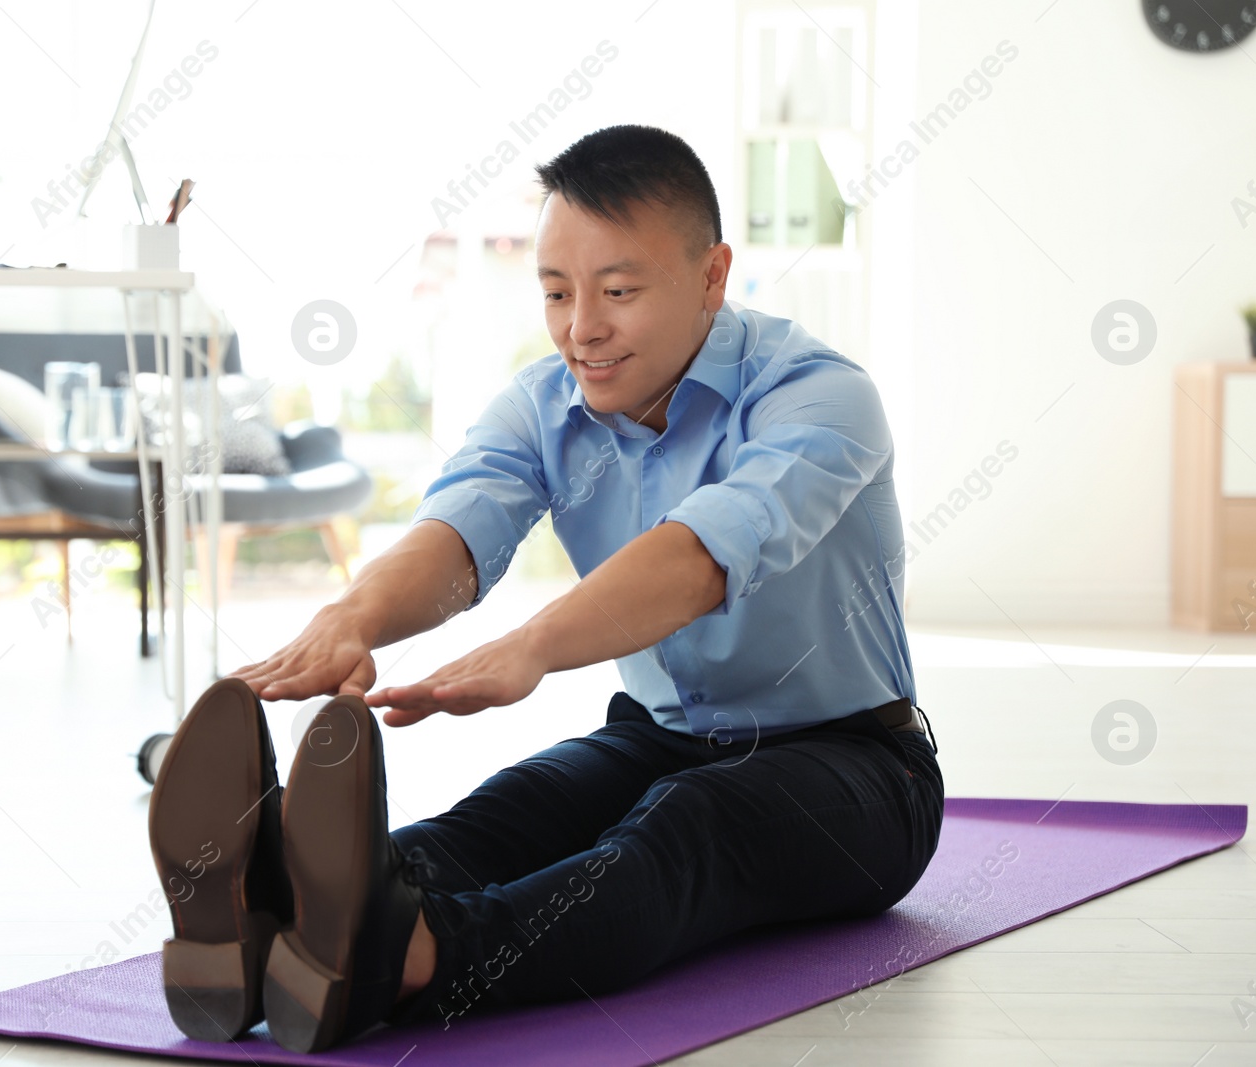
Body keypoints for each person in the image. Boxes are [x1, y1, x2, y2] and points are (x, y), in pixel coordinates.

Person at [146, 123, 944, 1052]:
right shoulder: (544, 402)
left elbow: (701, 556)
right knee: (508, 813)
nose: (581, 328)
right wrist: (349, 619)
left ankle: (410, 956)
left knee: (685, 825)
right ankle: (272, 911)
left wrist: (533, 646)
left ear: (713, 276)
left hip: (857, 766)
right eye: (558, 293)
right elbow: (457, 533)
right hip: (657, 737)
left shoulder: (818, 397)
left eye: (618, 291)